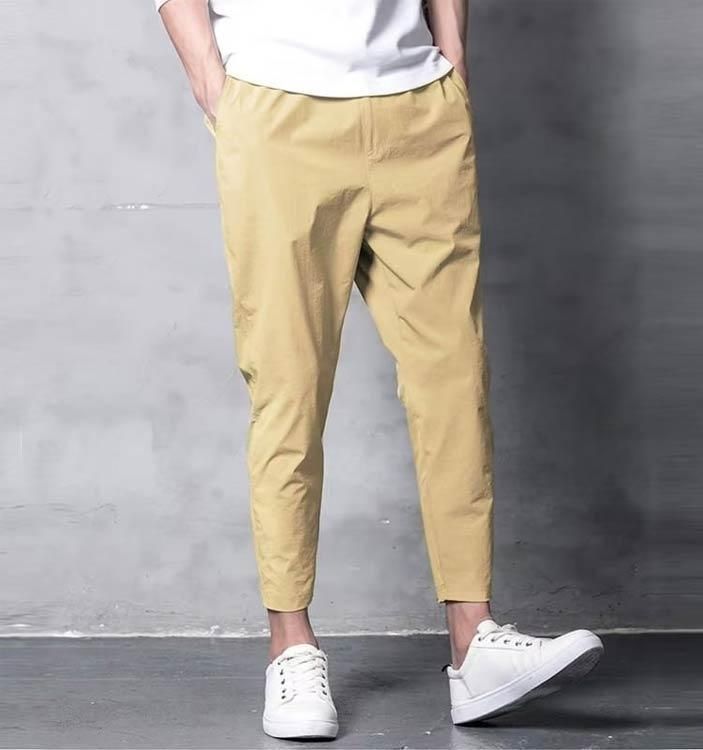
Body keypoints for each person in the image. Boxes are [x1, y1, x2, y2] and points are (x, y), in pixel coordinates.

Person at [155, 0, 604, 739]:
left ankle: (474, 643)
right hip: (278, 109)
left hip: (418, 107)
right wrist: (213, 81)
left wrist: (452, 60)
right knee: (290, 387)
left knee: (455, 377)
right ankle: (291, 646)